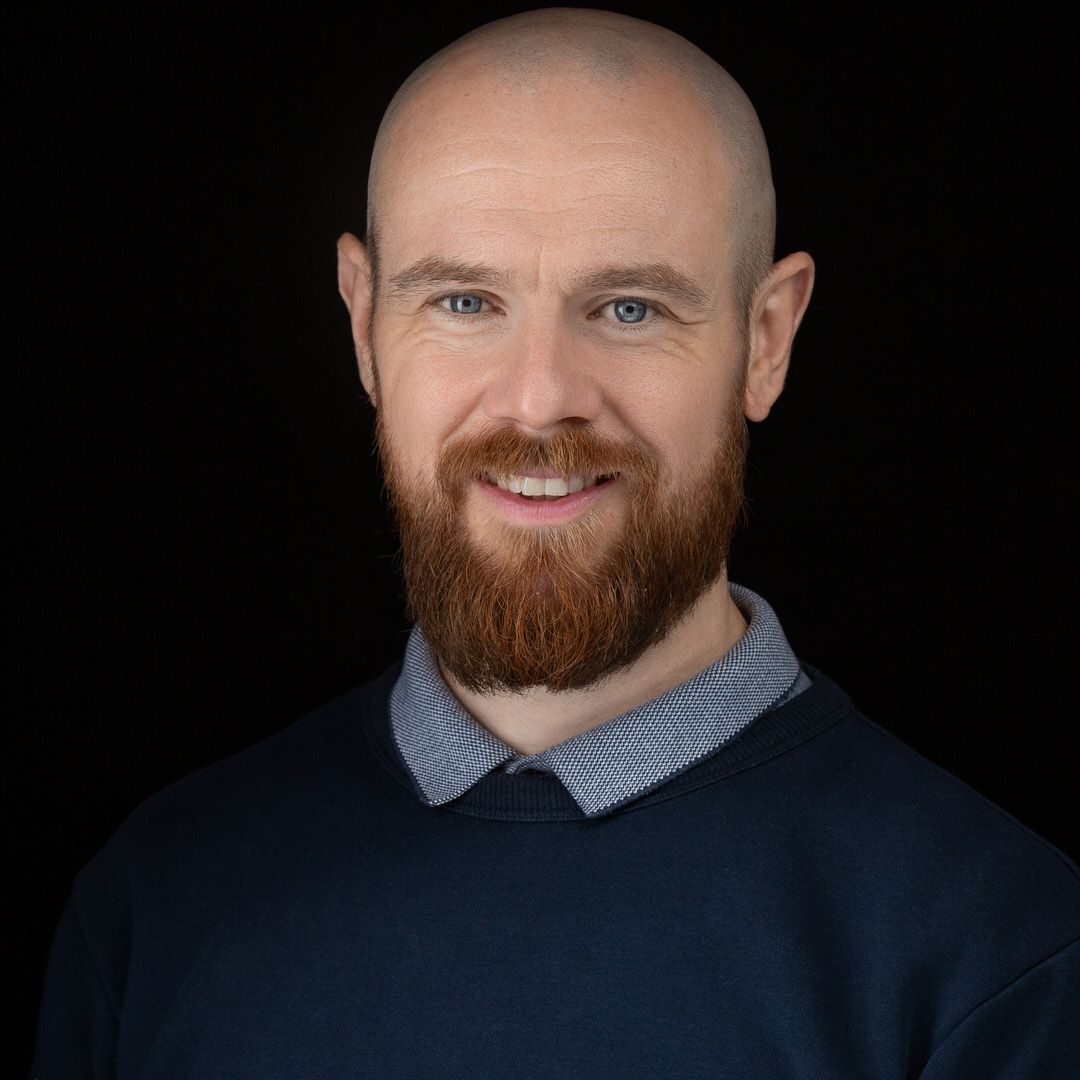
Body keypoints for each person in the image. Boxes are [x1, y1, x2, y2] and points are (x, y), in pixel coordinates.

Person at [33, 8, 1079, 1078]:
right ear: (362, 326)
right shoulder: (159, 904)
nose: (538, 403)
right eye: (465, 299)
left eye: (627, 309)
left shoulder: (1003, 955)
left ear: (766, 341)